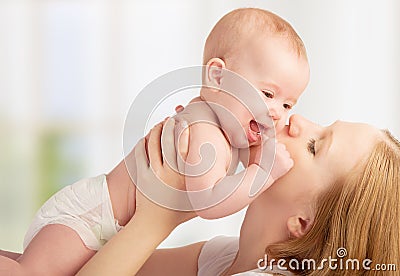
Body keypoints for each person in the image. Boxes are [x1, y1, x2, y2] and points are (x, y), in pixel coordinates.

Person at [0, 8, 310, 275]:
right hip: (91, 219)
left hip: (107, 231)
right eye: (268, 94)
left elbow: (237, 167)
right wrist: (263, 173)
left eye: (287, 105)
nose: (276, 114)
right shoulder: (206, 131)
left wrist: (258, 152)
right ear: (217, 78)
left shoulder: (223, 123)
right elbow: (210, 203)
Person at [78, 114, 399, 276]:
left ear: (303, 223)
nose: (297, 121)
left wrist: (157, 219)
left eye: (315, 146)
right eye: (322, 125)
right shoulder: (229, 257)